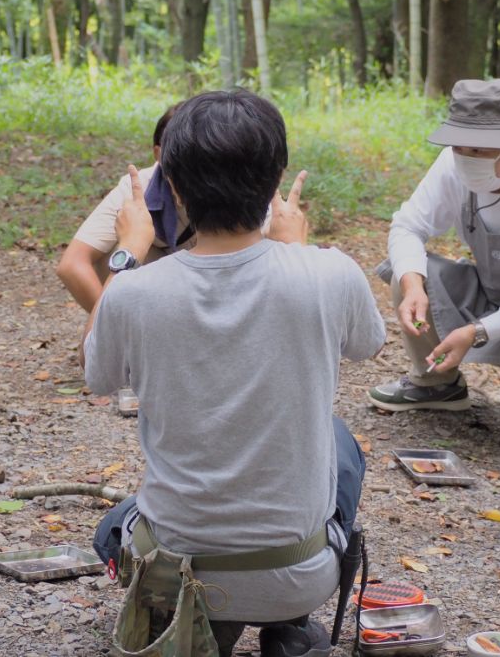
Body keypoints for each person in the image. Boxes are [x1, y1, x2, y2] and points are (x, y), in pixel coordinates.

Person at [82, 90, 385, 657]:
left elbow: (98, 375)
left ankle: (199, 621)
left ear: (170, 185)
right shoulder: (331, 272)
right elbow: (368, 344)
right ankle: (289, 624)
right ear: (275, 180)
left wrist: (125, 253)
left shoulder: (134, 291)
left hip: (176, 569)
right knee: (339, 442)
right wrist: (299, 250)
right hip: (299, 573)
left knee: (112, 528)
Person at [368, 78, 500, 415]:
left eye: (480, 149)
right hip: (486, 294)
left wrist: (477, 332)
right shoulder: (452, 167)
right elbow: (408, 226)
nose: (466, 158)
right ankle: (436, 382)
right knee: (407, 273)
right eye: (459, 147)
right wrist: (412, 287)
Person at [56, 104, 192, 312]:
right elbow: (72, 264)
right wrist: (106, 327)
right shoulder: (138, 187)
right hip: (164, 286)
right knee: (109, 252)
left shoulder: (234, 185)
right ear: (158, 154)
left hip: (216, 280)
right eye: (176, 152)